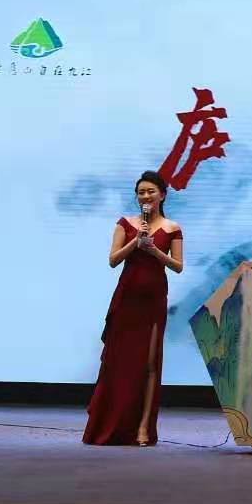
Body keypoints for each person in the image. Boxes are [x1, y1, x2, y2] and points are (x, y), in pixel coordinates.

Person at [84, 171, 184, 447]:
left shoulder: (173, 228)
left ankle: (143, 428)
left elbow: (178, 266)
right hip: (127, 298)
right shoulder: (125, 223)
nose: (145, 196)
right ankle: (110, 425)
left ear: (162, 195)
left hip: (154, 299)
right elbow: (113, 260)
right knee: (119, 362)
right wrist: (135, 242)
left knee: (150, 364)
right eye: (141, 192)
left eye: (151, 191)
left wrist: (154, 251)